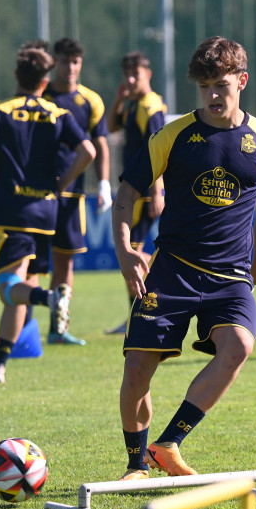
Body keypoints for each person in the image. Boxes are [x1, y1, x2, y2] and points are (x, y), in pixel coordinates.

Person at [112, 36, 256, 480]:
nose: (212, 95)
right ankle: (136, 463)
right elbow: (126, 193)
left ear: (241, 81)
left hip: (230, 279)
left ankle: (167, 445)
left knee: (239, 345)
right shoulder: (173, 135)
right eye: (204, 85)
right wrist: (126, 252)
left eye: (221, 84)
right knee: (136, 374)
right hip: (171, 273)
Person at [0, 46, 95, 383]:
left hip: (12, 212)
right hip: (46, 212)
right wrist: (63, 182)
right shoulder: (57, 113)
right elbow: (89, 150)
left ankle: (50, 296)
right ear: (45, 80)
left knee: (8, 287)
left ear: (16, 76)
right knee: (17, 288)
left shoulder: (0, 111)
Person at [41, 37, 113, 344]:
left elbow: (100, 144)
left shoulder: (90, 101)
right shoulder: (41, 95)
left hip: (71, 195)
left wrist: (105, 184)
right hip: (38, 192)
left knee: (65, 261)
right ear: (53, 62)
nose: (69, 68)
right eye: (64, 61)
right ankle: (19, 328)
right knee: (31, 260)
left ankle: (59, 325)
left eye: (75, 62)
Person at [104, 51, 167, 335]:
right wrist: (119, 97)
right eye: (126, 74)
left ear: (148, 75)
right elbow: (111, 126)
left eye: (136, 74)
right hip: (136, 190)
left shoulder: (150, 106)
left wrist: (158, 192)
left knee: (134, 253)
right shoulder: (132, 103)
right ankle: (137, 315)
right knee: (135, 254)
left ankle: (141, 315)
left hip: (142, 192)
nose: (130, 79)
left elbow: (158, 149)